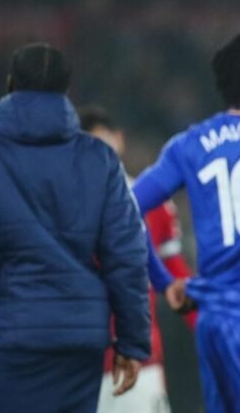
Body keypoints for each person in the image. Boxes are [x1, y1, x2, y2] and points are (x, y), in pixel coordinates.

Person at [131, 33, 240, 413]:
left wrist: (164, 281)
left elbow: (126, 208)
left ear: (220, 83)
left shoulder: (190, 143)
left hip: (214, 319)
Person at [0, 43, 150, 412]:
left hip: (5, 338)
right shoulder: (100, 159)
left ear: (10, 85)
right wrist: (132, 342)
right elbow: (126, 256)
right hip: (77, 344)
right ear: (66, 90)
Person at [77, 105, 196, 413]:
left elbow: (175, 271)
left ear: (119, 139)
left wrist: (202, 323)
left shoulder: (151, 201)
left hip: (140, 360)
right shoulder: (63, 206)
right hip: (79, 364)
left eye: (102, 142)